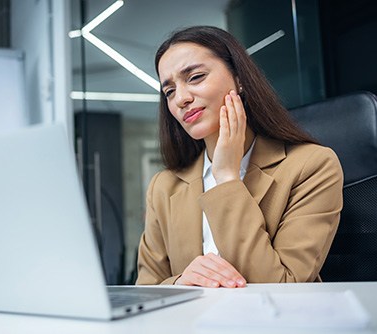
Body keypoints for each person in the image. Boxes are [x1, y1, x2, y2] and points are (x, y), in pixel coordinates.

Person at [136, 26, 343, 288]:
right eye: (169, 91)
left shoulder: (313, 166)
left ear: (240, 78)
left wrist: (226, 178)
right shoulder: (163, 187)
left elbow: (282, 285)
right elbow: (145, 289)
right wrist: (179, 283)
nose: (181, 99)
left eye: (196, 77)